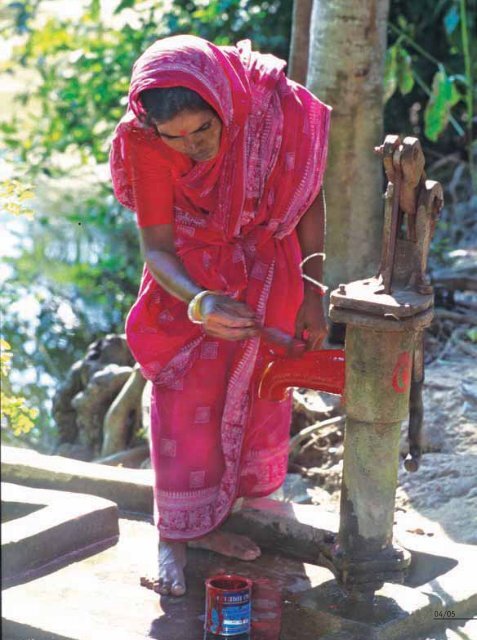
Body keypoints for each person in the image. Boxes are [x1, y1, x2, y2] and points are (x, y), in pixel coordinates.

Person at [110, 34, 330, 597]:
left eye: (203, 131)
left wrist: (313, 288)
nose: (193, 149)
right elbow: (156, 247)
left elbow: (305, 196)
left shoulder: (274, 107)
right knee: (185, 394)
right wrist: (199, 300)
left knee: (263, 387)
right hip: (187, 271)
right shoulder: (144, 140)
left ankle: (244, 513)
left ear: (224, 103)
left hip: (270, 265)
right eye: (174, 138)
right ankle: (177, 534)